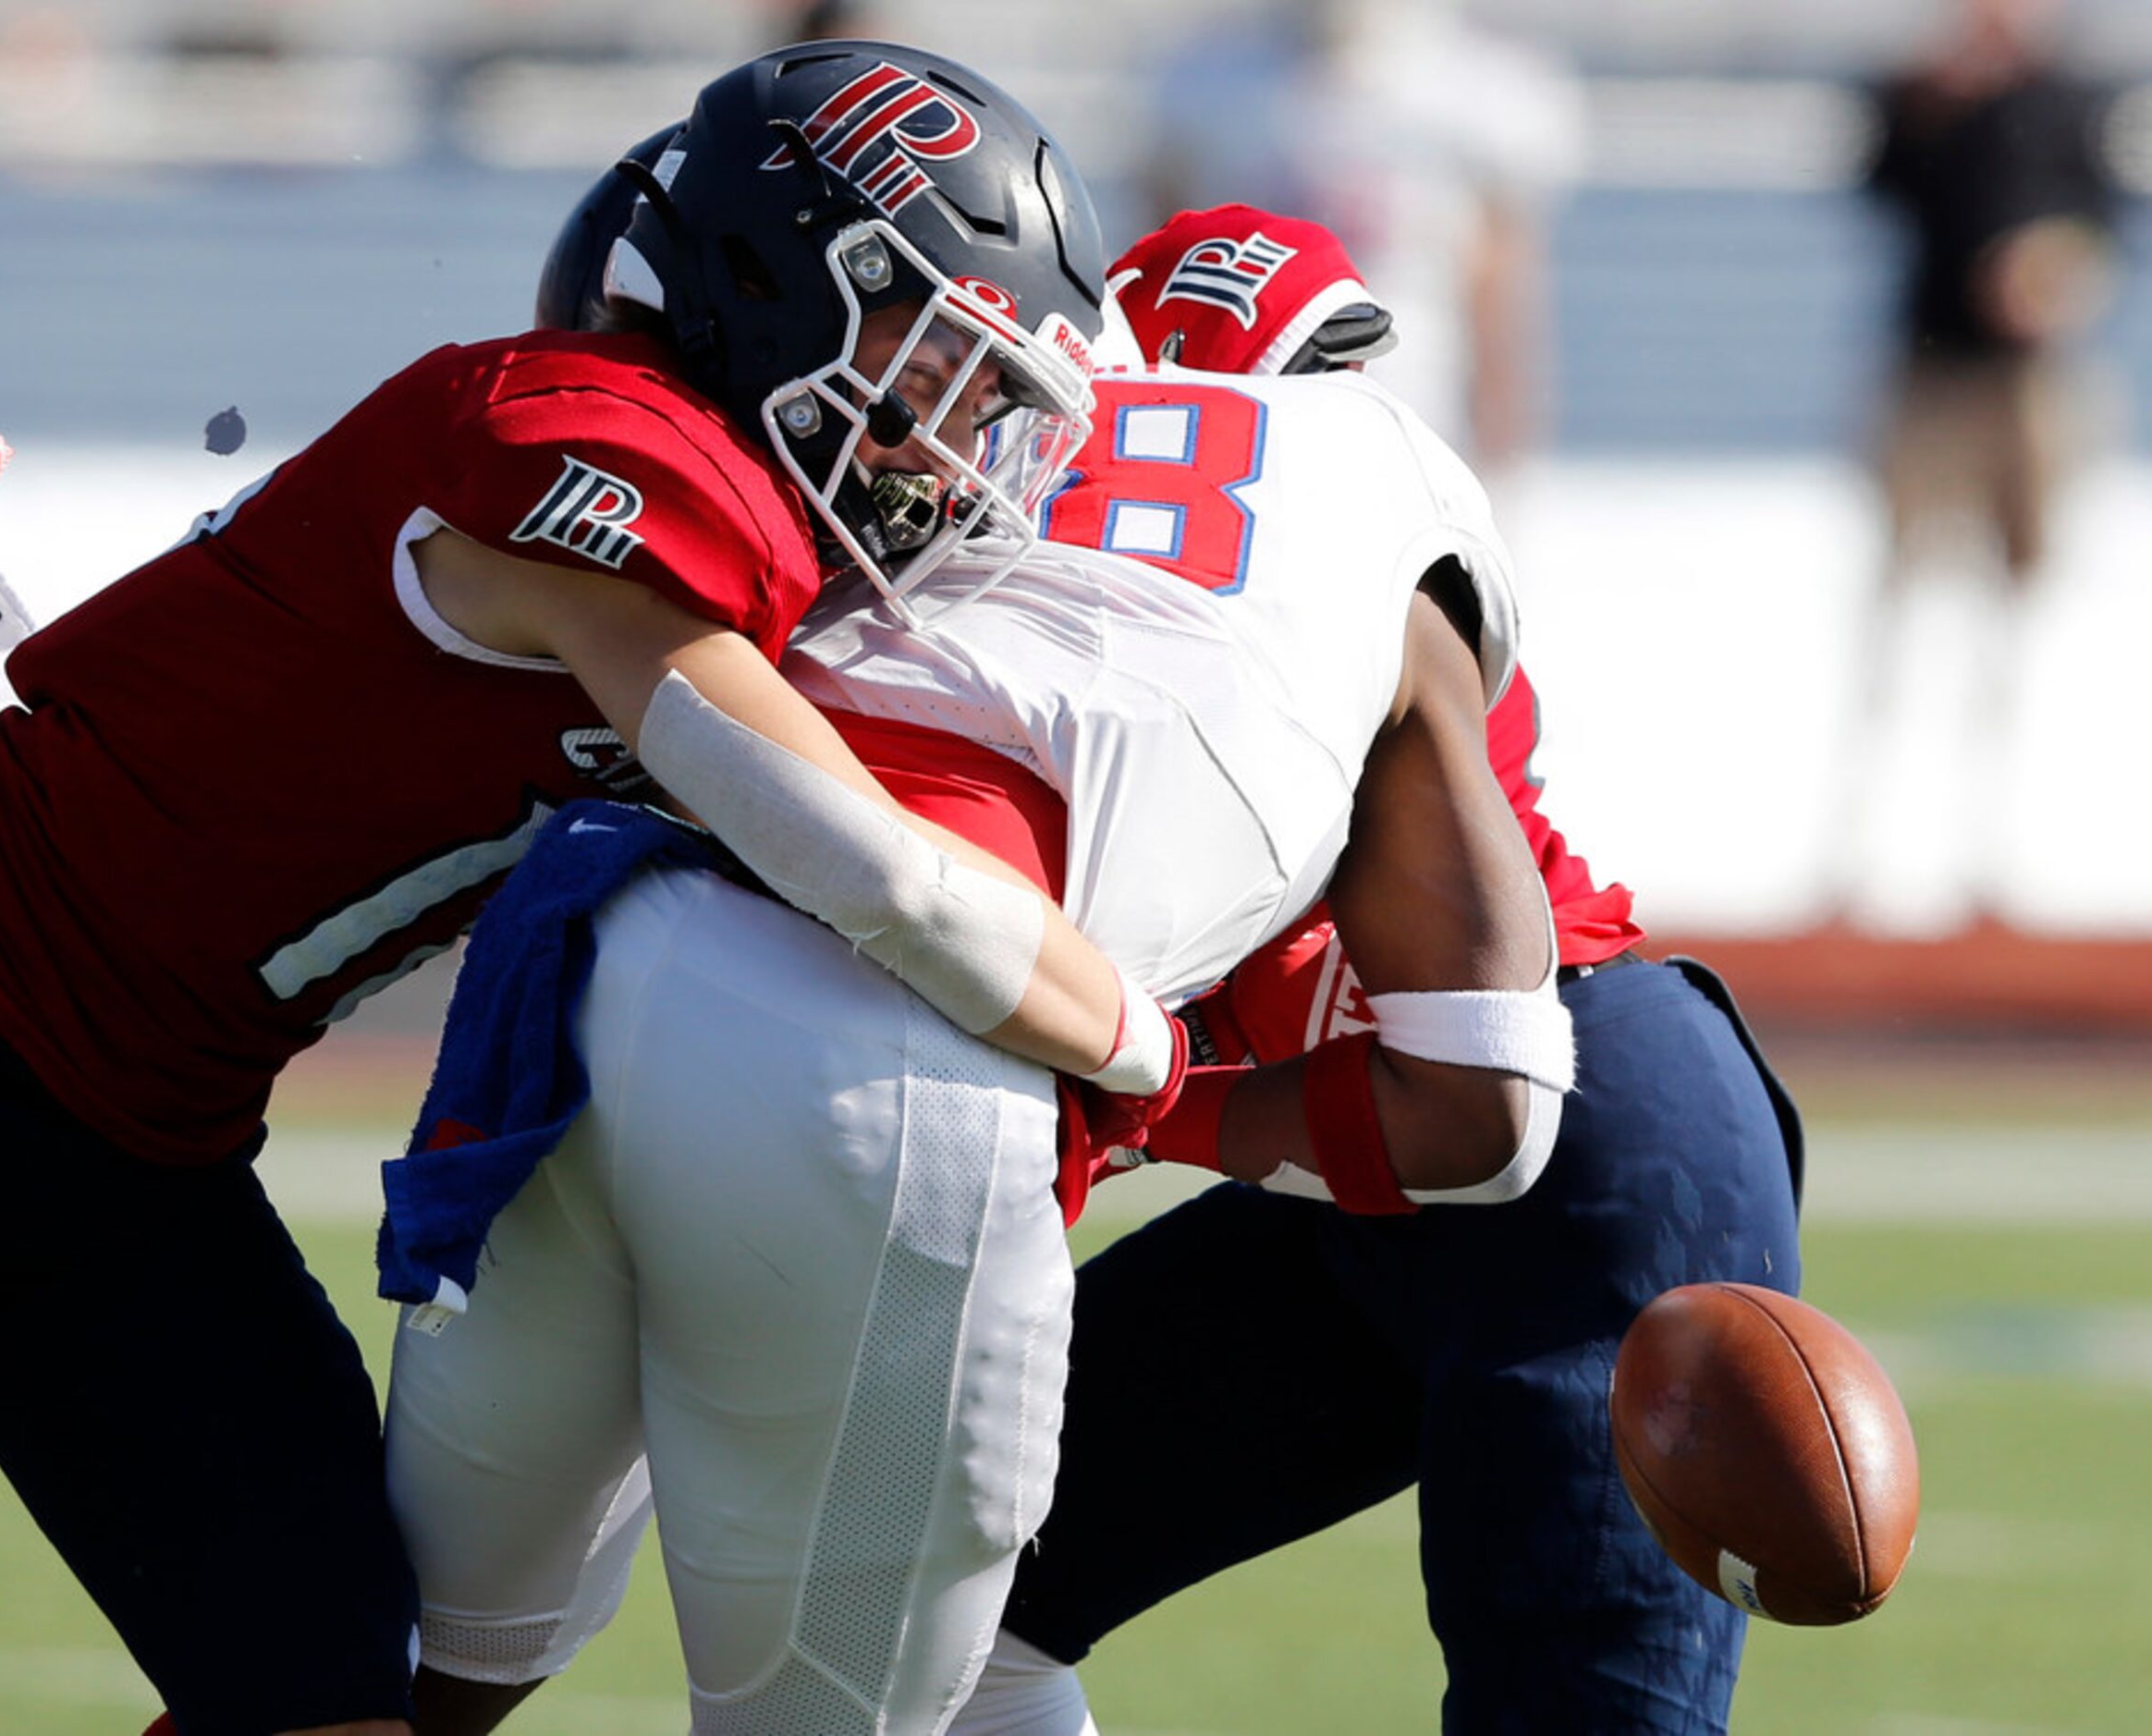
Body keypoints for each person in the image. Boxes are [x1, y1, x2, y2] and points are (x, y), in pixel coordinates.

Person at [0, 42, 1159, 1736]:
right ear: (773, 284)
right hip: (35, 1053)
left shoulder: (648, 478)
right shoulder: (587, 456)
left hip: (113, 1135)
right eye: (932, 350)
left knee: (328, 1686)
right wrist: (1139, 1036)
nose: (954, 430)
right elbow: (870, 866)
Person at [377, 194, 1573, 1732]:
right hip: (891, 1059)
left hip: (601, 957)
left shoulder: (929, 426)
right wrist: (1152, 1088)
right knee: (857, 1713)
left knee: (394, 1676)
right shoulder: (1385, 492)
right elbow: (1484, 1097)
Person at [947, 209, 1807, 1736]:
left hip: (1574, 1133)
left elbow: (1474, 1098)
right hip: (1379, 1162)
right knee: (939, 1582)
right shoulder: (1189, 599)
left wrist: (1139, 1102)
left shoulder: (1348, 617)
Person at [1847, 0, 2125, 922]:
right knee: (1902, 604)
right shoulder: (1923, 96)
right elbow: (1876, 185)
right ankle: (1862, 849)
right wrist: (1937, 103)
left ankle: (1997, 853)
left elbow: (2111, 225)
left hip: (2031, 384)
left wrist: (2053, 274)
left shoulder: (2073, 102)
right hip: (1930, 376)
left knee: (2021, 606)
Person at [1137, 0, 1583, 475]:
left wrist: (1500, 458)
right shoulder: (1211, 81)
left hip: (1417, 419)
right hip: (1249, 421)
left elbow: (1496, 304)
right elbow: (1162, 284)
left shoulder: (1482, 89)